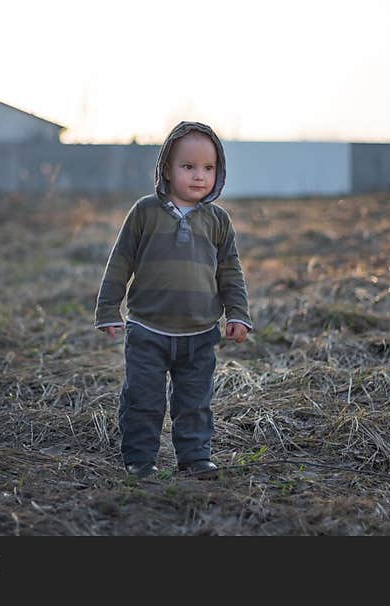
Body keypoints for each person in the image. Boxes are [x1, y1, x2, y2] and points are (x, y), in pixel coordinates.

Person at [94, 121, 252, 479]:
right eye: (188, 167)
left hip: (199, 333)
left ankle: (195, 457)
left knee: (195, 403)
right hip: (147, 329)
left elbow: (231, 270)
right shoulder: (145, 212)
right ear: (166, 168)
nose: (199, 176)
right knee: (143, 399)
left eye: (208, 168)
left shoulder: (218, 221)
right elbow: (120, 261)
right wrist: (108, 309)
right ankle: (140, 460)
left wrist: (238, 313)